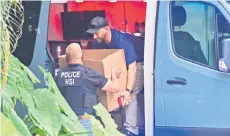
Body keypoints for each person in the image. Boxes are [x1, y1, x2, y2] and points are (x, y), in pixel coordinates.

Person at [86, 16, 145, 136]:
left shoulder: (122, 41)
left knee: (129, 94)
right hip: (119, 64)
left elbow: (132, 68)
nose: (94, 36)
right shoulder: (98, 42)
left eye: (97, 33)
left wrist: (128, 90)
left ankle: (131, 130)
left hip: (138, 62)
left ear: (107, 28)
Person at [55, 43, 122, 136]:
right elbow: (115, 88)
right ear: (82, 57)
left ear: (66, 59)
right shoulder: (89, 74)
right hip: (85, 120)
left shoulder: (58, 76)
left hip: (66, 122)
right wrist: (115, 76)